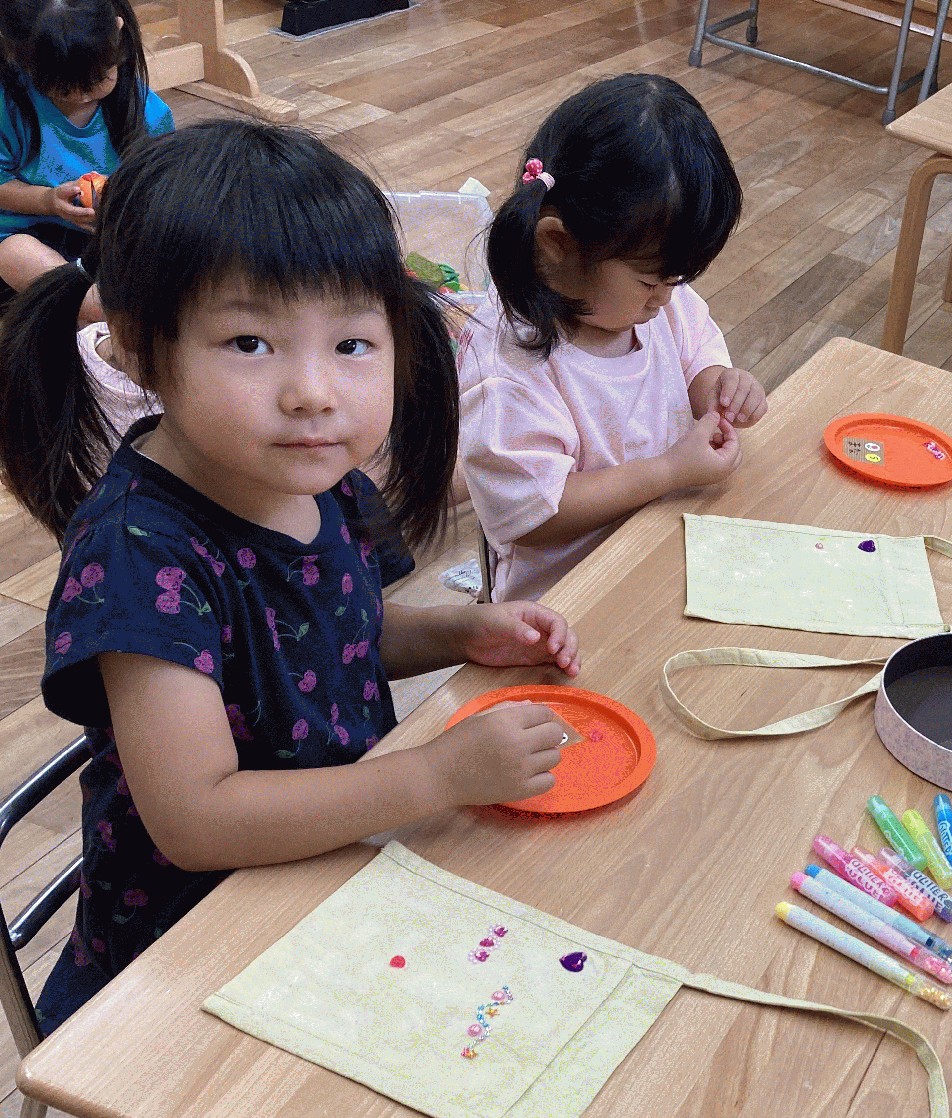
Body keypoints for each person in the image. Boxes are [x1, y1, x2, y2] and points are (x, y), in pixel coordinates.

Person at [0, 119, 582, 1033]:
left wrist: (464, 631)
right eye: (249, 342)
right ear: (141, 347)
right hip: (188, 964)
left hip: (331, 875)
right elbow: (197, 819)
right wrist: (434, 777)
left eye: (351, 345)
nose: (314, 391)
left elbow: (337, 631)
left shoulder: (314, 474)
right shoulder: (139, 557)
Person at [458, 72, 766, 602]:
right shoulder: (508, 364)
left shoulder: (655, 299)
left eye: (677, 279)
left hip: (663, 555)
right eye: (650, 281)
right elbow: (534, 514)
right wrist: (668, 471)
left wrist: (720, 387)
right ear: (557, 244)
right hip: (568, 603)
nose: (666, 298)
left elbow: (697, 357)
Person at [0, 0, 170, 307]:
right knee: (12, 253)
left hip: (104, 239)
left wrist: (121, 202)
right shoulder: (8, 106)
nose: (82, 96)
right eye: (63, 89)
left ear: (118, 33)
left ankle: (88, 305)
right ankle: (95, 306)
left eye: (97, 80)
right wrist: (47, 201)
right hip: (24, 234)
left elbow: (164, 187)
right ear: (21, 58)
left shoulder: (148, 113)